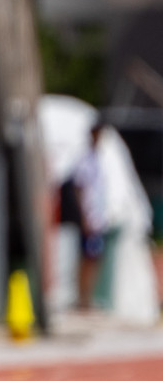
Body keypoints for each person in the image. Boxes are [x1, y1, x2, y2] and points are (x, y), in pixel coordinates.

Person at [74, 122, 110, 309]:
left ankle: (88, 297)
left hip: (97, 218)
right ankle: (82, 298)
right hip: (89, 217)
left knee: (94, 258)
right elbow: (79, 188)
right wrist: (84, 217)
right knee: (86, 258)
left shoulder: (98, 158)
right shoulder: (85, 159)